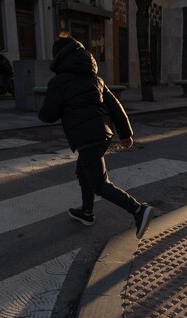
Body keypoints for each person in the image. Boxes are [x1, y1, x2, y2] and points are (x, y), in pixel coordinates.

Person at [38, 33, 154, 239]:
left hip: (86, 138)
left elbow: (48, 116)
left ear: (59, 58)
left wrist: (47, 106)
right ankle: (86, 212)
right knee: (83, 172)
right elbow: (115, 107)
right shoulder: (95, 79)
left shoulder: (59, 82)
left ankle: (138, 210)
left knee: (100, 184)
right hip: (103, 134)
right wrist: (126, 134)